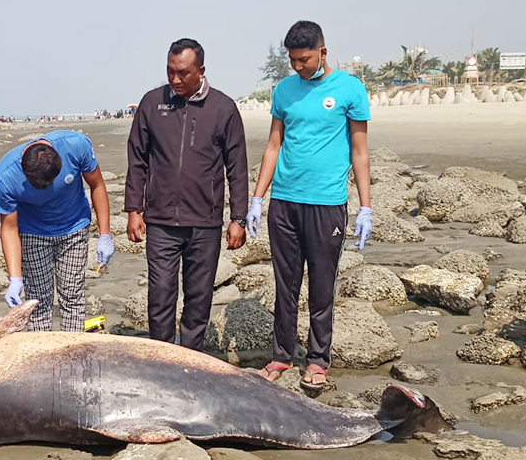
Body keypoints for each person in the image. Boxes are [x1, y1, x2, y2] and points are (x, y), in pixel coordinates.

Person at [246, 20, 372, 388]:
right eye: (293, 60)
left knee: (321, 285)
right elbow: (273, 145)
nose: (298, 66)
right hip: (284, 203)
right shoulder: (284, 91)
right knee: (285, 284)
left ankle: (317, 359)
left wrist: (366, 206)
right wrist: (258, 198)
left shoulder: (350, 89)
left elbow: (360, 152)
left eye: (304, 59)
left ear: (323, 52)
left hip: (326, 203)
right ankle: (281, 355)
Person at [124, 38, 249, 351]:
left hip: (204, 222)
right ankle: (162, 355)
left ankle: (191, 356)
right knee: (161, 291)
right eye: (170, 72)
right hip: (161, 220)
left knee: (199, 294)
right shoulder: (152, 104)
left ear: (201, 71)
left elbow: (237, 166)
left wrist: (238, 217)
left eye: (183, 73)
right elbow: (137, 157)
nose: (175, 80)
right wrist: (133, 209)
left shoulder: (223, 108)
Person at [0, 130, 113, 331]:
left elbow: (97, 184)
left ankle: (72, 352)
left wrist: (105, 234)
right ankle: (42, 353)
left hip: (74, 228)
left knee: (73, 296)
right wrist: (15, 277)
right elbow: (9, 229)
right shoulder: (5, 178)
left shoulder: (75, 146)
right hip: (33, 233)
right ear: (23, 168)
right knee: (38, 301)